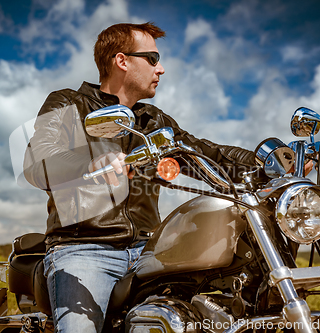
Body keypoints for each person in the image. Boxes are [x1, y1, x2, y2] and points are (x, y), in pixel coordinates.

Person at [23, 22, 257, 333]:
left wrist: (268, 163)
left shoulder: (153, 121)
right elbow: (38, 161)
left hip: (150, 251)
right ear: (122, 61)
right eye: (152, 59)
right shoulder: (69, 104)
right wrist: (89, 162)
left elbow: (206, 154)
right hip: (84, 248)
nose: (161, 69)